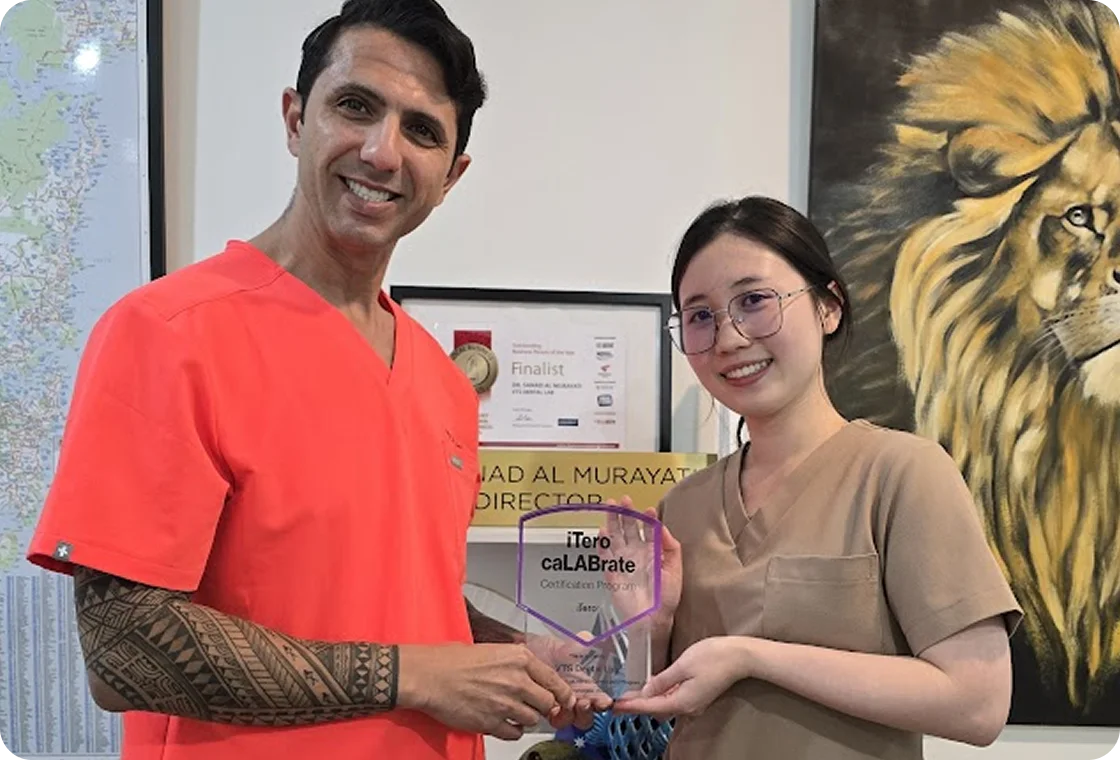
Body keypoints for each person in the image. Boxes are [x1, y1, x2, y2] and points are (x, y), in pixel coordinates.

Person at [25, 1, 602, 758]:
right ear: (296, 119)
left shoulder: (444, 383)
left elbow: (390, 601)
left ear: (451, 176)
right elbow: (122, 648)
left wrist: (511, 653)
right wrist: (415, 676)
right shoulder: (169, 333)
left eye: (422, 130)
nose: (382, 152)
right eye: (355, 106)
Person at [611, 196, 1022, 759]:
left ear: (828, 308)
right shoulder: (684, 505)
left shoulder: (902, 474)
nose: (728, 338)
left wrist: (753, 657)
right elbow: (651, 702)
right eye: (700, 316)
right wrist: (651, 628)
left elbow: (977, 703)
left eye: (754, 301)